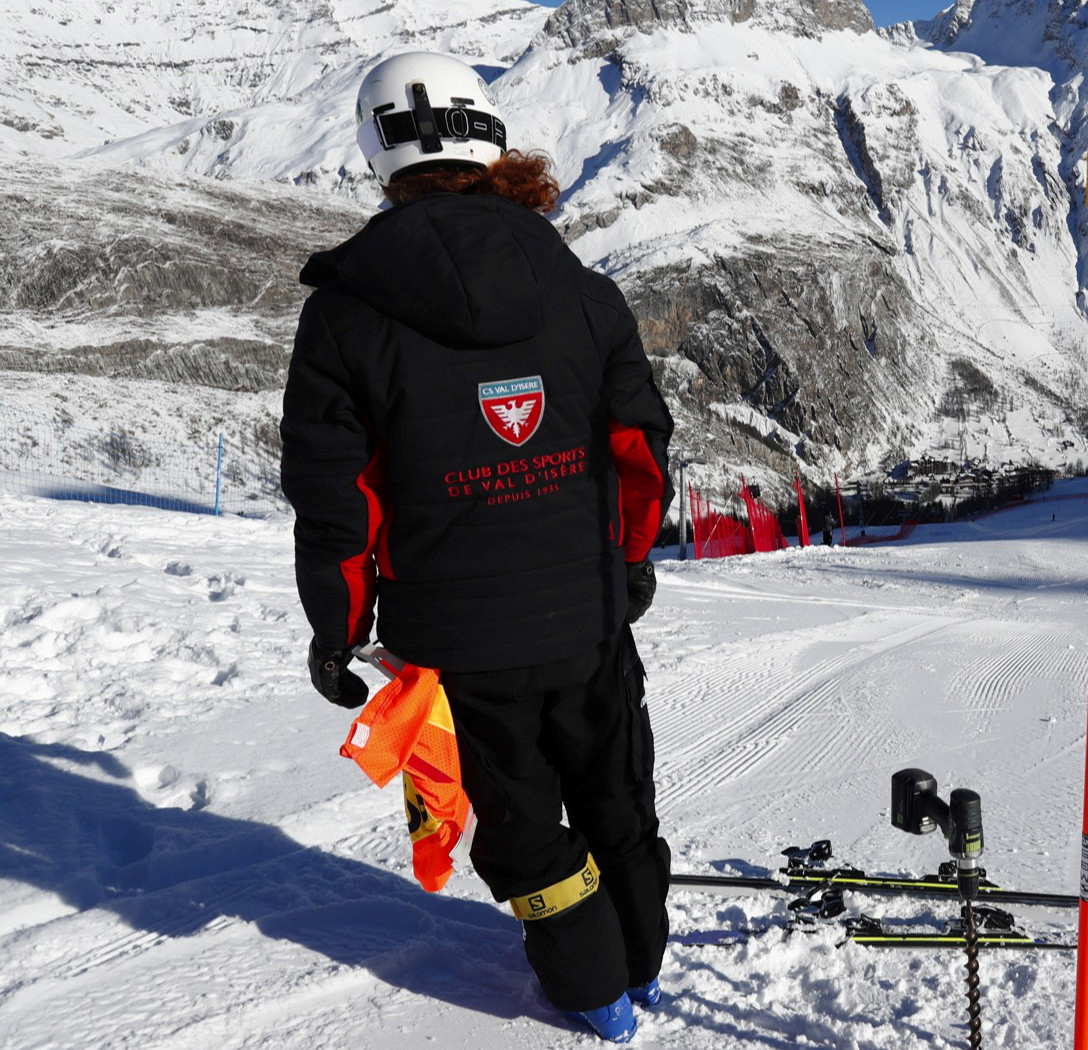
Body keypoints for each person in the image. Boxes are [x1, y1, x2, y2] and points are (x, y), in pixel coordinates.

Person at [280, 52, 674, 1044]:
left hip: (454, 641)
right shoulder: (582, 289)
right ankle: (638, 972)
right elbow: (635, 450)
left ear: (378, 153)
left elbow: (338, 499)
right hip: (586, 612)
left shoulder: (345, 314)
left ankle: (594, 999)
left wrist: (339, 629)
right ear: (489, 140)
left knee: (521, 824)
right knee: (614, 793)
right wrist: (625, 560)